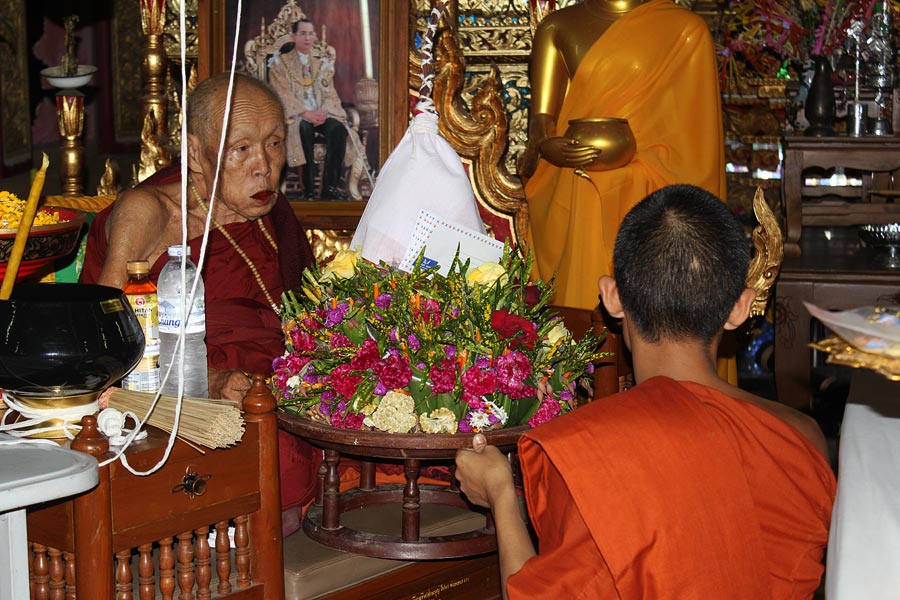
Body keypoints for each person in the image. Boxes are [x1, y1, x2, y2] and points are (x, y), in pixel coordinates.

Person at [455, 184, 836, 599]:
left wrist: (499, 495)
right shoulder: (803, 437)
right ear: (740, 308)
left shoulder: (582, 451)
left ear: (612, 298)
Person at [80, 72, 321, 524]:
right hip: (183, 401)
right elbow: (102, 339)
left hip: (280, 388)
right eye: (241, 148)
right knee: (276, 455)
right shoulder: (149, 211)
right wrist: (208, 383)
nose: (263, 166)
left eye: (274, 143)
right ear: (194, 152)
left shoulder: (272, 216)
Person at [520, 0, 725, 312]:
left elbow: (697, 145)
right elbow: (540, 125)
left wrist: (627, 166)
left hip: (653, 199)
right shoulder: (558, 27)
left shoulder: (685, 30)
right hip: (576, 190)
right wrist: (549, 146)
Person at [268, 18, 350, 200]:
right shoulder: (280, 64)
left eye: (311, 33)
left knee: (337, 128)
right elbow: (282, 94)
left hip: (320, 114)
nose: (307, 38)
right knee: (302, 128)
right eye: (303, 33)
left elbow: (330, 93)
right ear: (293, 37)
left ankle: (330, 187)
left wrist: (325, 111)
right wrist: (305, 113)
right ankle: (309, 190)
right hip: (296, 116)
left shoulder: (321, 63)